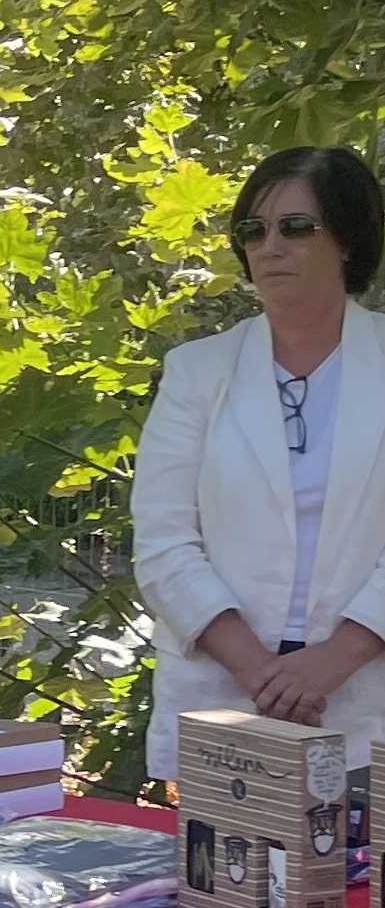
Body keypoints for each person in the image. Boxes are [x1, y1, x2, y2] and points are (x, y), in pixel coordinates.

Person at [135, 146, 385, 781]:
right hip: (224, 698)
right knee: (222, 881)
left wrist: (335, 659)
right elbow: (163, 540)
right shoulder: (196, 372)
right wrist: (260, 673)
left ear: (350, 240)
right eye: (255, 229)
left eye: (296, 227)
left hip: (364, 694)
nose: (270, 246)